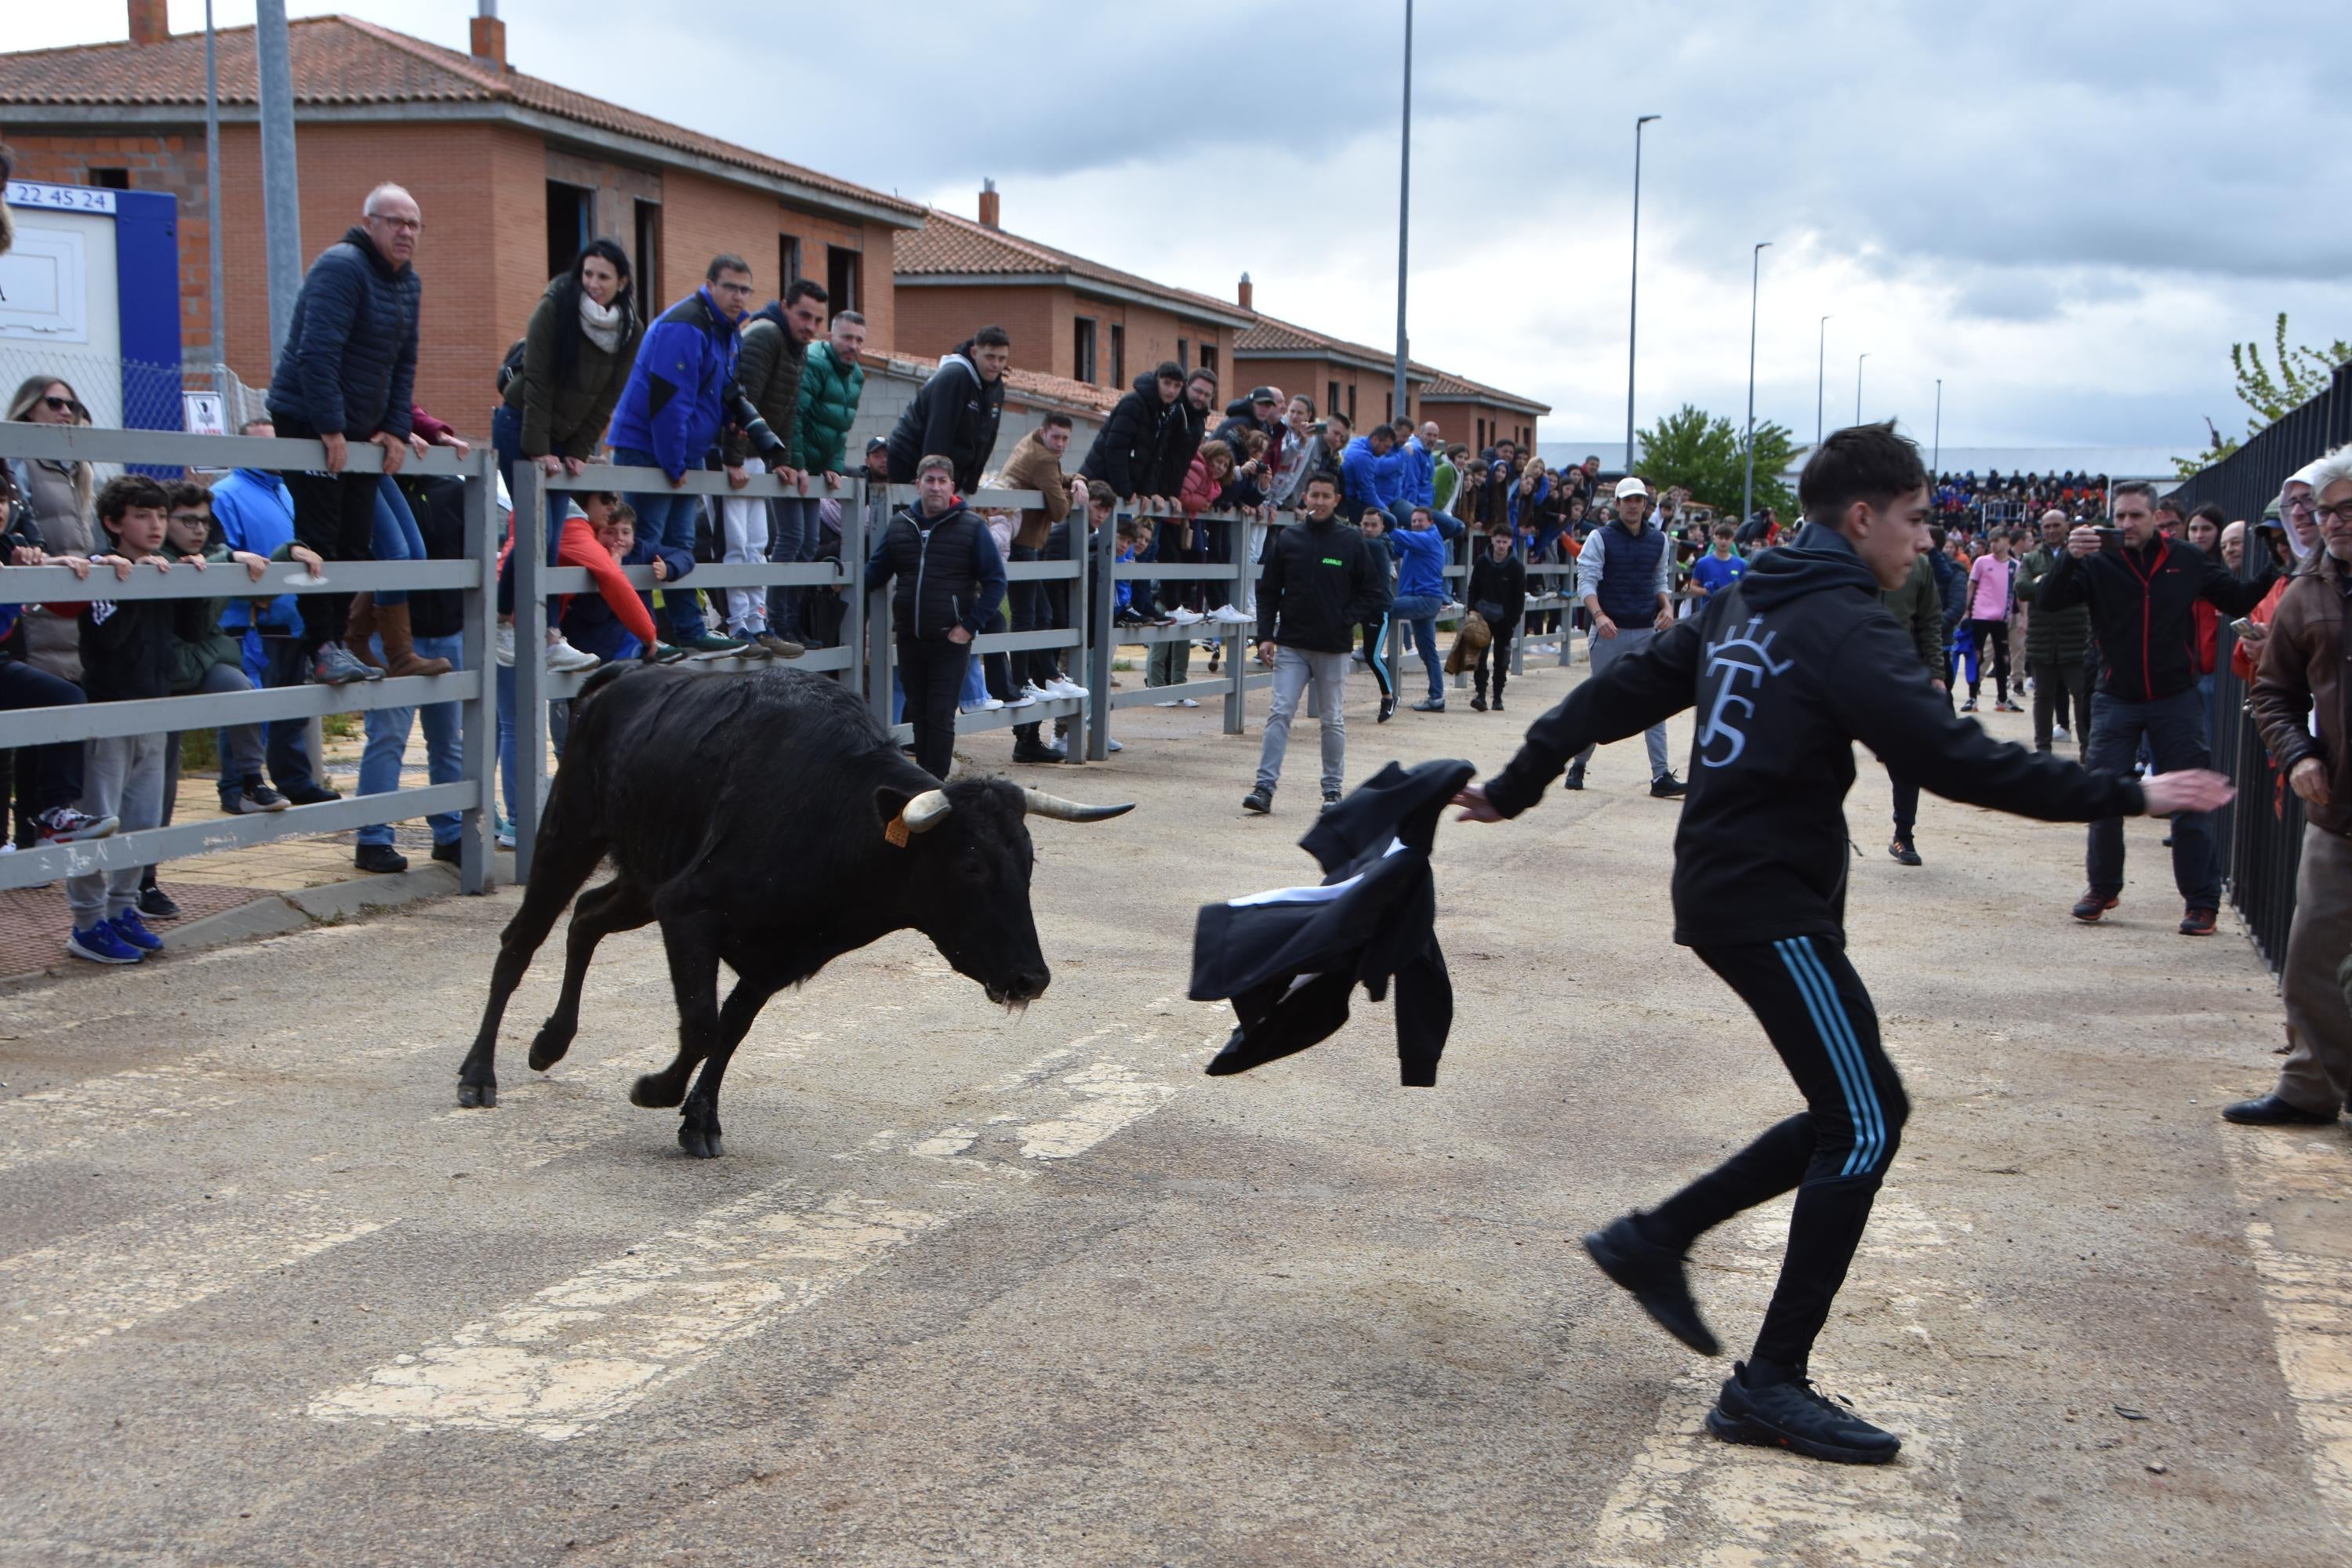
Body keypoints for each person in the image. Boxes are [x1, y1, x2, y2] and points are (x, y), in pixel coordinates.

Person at [1451, 421, 2231, 1465]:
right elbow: (1953, 757)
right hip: (1763, 899)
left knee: (1857, 1108)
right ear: (1862, 517)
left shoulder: (1747, 595)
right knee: (1863, 1122)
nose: (1922, 543)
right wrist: (2124, 791)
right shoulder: (1839, 622)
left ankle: (1656, 1238)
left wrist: (1517, 783)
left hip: (1744, 890)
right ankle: (1765, 1384)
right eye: (1913, 521)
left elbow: (1616, 691)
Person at [2039, 480, 2274, 934]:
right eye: (2120, 516)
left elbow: (2238, 599)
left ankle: (2201, 902)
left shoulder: (2186, 559)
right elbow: (2050, 601)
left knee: (2189, 799)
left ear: (2156, 519)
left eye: (2136, 516)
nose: (2126, 524)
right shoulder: (2099, 559)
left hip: (2175, 698)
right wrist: (2070, 556)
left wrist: (2276, 566)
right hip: (2116, 696)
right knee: (2105, 795)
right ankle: (2103, 887)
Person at [2226, 449, 2352, 1127]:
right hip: (2338, 811)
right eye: (2323, 511)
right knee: (2309, 963)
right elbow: (2274, 693)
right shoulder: (2310, 589)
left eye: (2345, 509)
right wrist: (2298, 754)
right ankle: (2312, 1087)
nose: (2329, 522)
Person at [263, 183, 423, 685]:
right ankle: (321, 647)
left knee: (356, 542)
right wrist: (329, 426)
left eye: (413, 224)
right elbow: (318, 352)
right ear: (369, 222)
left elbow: (403, 365)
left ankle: (341, 645)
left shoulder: (408, 283)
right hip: (310, 420)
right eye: (395, 221)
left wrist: (396, 429)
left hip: (359, 431)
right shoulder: (341, 266)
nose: (405, 232)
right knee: (321, 536)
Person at [53, 477, 206, 964]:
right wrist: (136, 583)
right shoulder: (104, 572)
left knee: (144, 819)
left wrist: (191, 581)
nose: (156, 525)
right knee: (100, 819)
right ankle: (87, 922)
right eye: (142, 516)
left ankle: (122, 909)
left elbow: (193, 631)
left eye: (161, 516)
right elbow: (108, 642)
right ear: (113, 523)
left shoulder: (161, 570)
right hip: (110, 709)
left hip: (154, 706)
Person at [605, 252, 789, 655]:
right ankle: (638, 640)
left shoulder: (725, 331)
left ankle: (688, 629)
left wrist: (731, 420)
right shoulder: (686, 325)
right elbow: (668, 401)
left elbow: (717, 389)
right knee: (645, 541)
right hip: (649, 450)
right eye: (729, 287)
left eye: (745, 289)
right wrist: (675, 462)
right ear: (710, 285)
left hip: (683, 455)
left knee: (681, 543)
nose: (738, 296)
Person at [492, 237, 643, 664]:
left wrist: (578, 449)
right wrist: (539, 449)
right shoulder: (555, 307)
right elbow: (538, 382)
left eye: (604, 277)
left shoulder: (630, 328)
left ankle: (546, 632)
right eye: (588, 274)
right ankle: (506, 622)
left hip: (564, 437)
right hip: (522, 424)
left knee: (555, 535)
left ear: (622, 282)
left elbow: (609, 394)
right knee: (535, 532)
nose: (594, 284)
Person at [206, 419, 339, 805]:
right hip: (249, 624)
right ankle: (236, 786)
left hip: (290, 618)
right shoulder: (224, 496)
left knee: (290, 709)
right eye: (267, 445)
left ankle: (294, 780)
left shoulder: (289, 491)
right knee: (248, 709)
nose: (277, 452)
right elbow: (221, 555)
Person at [352, 468, 474, 873]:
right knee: (387, 737)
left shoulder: (457, 491)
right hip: (390, 640)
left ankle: (450, 833)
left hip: (450, 632)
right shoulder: (375, 490)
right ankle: (373, 839)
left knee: (448, 741)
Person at [1246, 472, 1388, 816]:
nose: (1320, 501)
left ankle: (1332, 792)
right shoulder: (1288, 538)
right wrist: (1265, 635)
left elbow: (1372, 591)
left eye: (1327, 496)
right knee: (1280, 712)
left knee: (1332, 719)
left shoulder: (1352, 542)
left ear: (1337, 500)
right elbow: (1267, 591)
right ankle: (1264, 788)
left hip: (1333, 647)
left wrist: (1346, 618)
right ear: (1305, 499)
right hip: (1292, 645)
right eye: (1315, 495)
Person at [865, 455, 1006, 782]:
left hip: (949, 639)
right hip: (911, 638)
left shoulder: (972, 527)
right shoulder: (901, 525)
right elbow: (877, 572)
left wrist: (969, 626)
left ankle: (936, 786)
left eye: (943, 481)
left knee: (941, 715)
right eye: (930, 480)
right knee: (919, 714)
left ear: (952, 487)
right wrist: (837, 579)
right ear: (918, 485)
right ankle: (922, 785)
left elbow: (996, 582)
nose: (936, 487)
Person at [159, 482, 292, 819]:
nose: (198, 529)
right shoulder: (155, 558)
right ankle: (146, 867)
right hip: (162, 671)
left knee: (240, 688)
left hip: (199, 661)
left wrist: (292, 550)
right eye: (187, 521)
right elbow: (181, 579)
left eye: (203, 521)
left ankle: (251, 782)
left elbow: (254, 584)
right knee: (161, 773)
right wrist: (228, 557)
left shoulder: (212, 553)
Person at [0, 468, 116, 851]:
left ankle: (56, 813)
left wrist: (69, 564)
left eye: (2, 501)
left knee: (65, 698)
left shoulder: (12, 547)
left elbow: (63, 604)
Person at [725, 277, 827, 655]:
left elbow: (783, 410)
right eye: (804, 315)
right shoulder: (765, 335)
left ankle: (757, 622)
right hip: (731, 456)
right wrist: (733, 458)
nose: (810, 326)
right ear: (784, 306)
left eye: (817, 320)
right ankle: (738, 625)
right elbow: (741, 397)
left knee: (757, 543)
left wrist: (781, 460)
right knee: (736, 541)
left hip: (754, 455)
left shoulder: (795, 346)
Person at [1568, 477, 1684, 797]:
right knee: (1601, 700)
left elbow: (1659, 580)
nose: (1634, 505)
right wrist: (1599, 615)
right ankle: (1579, 763)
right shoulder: (1599, 538)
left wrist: (1667, 607)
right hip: (1610, 631)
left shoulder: (1659, 540)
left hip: (1646, 629)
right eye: (1627, 500)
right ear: (1617, 505)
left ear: (1646, 504)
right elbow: (1587, 582)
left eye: (1639, 500)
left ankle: (1661, 776)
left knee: (1655, 702)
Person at [996, 414, 1091, 763]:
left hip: (1025, 542)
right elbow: (1060, 509)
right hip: (1022, 544)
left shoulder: (1034, 446)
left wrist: (1076, 478)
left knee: (1042, 615)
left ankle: (1041, 682)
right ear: (1044, 432)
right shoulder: (1043, 457)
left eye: (1066, 439)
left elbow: (1057, 481)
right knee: (1029, 616)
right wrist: (1071, 487)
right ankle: (1026, 680)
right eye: (1057, 437)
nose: (1061, 444)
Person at [793, 310, 868, 648]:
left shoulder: (857, 376)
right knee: (790, 544)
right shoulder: (813, 362)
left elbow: (840, 430)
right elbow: (797, 416)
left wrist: (833, 466)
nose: (853, 345)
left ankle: (793, 626)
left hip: (816, 474)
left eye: (859, 340)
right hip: (792, 471)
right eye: (847, 337)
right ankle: (780, 623)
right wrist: (797, 463)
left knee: (806, 545)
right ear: (830, 337)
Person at [1879, 548, 1946, 866]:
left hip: (1897, 673)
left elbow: (1930, 621)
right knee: (1824, 756)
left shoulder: (1919, 564)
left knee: (1905, 759)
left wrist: (1935, 673)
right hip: (1843, 667)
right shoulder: (1848, 554)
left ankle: (1903, 835)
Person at [886, 325, 1010, 495]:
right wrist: (933, 483)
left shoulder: (996, 388)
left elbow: (988, 437)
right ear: (974, 353)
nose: (996, 365)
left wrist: (971, 485)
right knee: (923, 517)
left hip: (949, 473)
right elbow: (938, 433)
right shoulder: (953, 377)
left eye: (1002, 359)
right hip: (909, 462)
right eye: (990, 357)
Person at [2016, 509, 2089, 757]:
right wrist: (2053, 585)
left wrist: (2043, 583)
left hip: (2076, 636)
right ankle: (2043, 749)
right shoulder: (2031, 558)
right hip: (2042, 637)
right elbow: (2022, 588)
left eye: (2056, 525)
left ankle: (2087, 748)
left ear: (2067, 526)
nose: (2051, 530)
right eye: (2047, 526)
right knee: (2043, 696)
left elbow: (2084, 586)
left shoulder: (2082, 556)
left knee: (2082, 695)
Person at [1390, 503, 1463, 712]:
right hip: (1423, 601)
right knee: (1427, 651)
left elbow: (1399, 537)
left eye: (1420, 521)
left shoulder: (1430, 538)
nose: (1416, 524)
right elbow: (1395, 548)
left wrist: (1382, 525)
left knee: (1381, 607)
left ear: (1431, 522)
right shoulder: (1417, 540)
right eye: (1413, 521)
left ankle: (1368, 651)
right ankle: (1437, 699)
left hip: (1424, 600)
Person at [1466, 524, 1526, 713]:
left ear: (1510, 543)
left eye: (1504, 542)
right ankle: (1481, 695)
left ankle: (1497, 696)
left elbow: (1519, 597)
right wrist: (1472, 611)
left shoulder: (1516, 567)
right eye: (1498, 541)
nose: (1501, 545)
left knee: (1501, 659)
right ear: (1492, 541)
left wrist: (1512, 620)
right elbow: (1473, 588)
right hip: (1482, 616)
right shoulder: (1482, 562)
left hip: (1504, 620)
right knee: (1480, 657)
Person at [1960, 525, 2019, 712]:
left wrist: (2023, 617)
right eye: (1991, 541)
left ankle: (2002, 698)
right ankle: (1972, 696)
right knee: (1976, 656)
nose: (1993, 545)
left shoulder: (2015, 566)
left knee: (2004, 659)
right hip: (1980, 615)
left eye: (1997, 540)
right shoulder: (1981, 562)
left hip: (2002, 617)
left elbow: (2020, 595)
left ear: (2007, 542)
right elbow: (1971, 586)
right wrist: (1966, 611)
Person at [1354, 508, 1399, 724]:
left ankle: (1389, 697)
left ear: (1383, 528)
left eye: (1374, 525)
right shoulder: (1365, 544)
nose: (1369, 529)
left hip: (1378, 609)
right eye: (1365, 524)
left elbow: (1338, 560)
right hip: (1360, 606)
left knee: (1373, 656)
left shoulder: (1376, 545)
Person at [1688, 523, 1747, 602]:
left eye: (1727, 538)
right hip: (1709, 611)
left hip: (1732, 611)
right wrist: (1706, 591)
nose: (1723, 541)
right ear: (1714, 539)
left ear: (1732, 540)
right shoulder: (1703, 563)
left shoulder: (1741, 564)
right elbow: (1692, 587)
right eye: (1721, 538)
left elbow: (1746, 589)